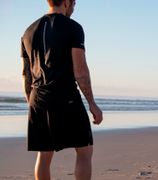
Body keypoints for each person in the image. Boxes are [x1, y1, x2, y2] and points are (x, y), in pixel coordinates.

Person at [21, 0, 103, 179]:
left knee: (43, 155)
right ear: (66, 2)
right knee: (84, 151)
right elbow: (80, 71)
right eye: (74, 3)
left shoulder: (28, 31)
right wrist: (92, 103)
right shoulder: (73, 27)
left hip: (38, 98)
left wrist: (32, 103)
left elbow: (26, 76)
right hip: (66, 97)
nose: (74, 7)